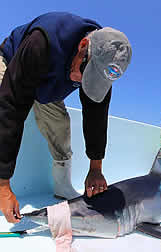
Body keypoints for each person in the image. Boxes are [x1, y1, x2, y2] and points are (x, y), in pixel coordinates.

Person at [0, 12, 132, 223]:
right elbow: (10, 106)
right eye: (85, 74)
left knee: (61, 125)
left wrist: (95, 169)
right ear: (82, 46)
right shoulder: (42, 41)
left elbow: (96, 117)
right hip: (14, 65)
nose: (82, 81)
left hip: (48, 85)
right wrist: (3, 184)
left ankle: (62, 184)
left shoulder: (104, 67)